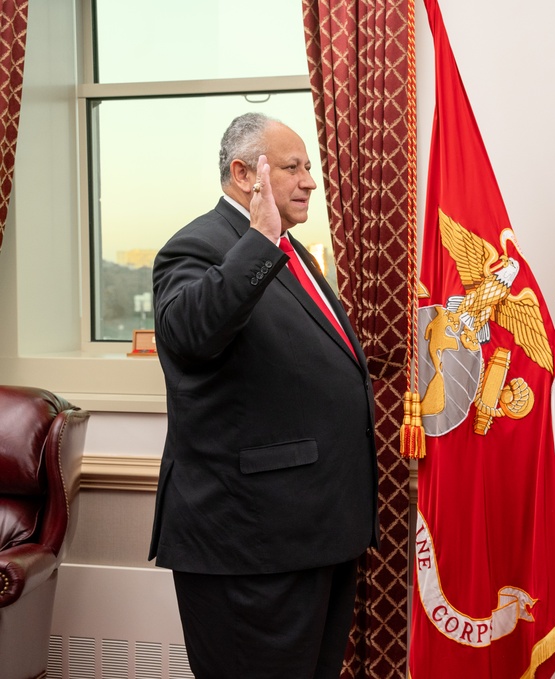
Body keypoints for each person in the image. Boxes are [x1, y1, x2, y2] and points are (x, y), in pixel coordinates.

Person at [148, 112, 379, 679]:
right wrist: (258, 240)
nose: (310, 181)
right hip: (249, 545)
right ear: (244, 173)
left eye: (310, 168)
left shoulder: (292, 250)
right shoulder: (196, 246)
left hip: (314, 533)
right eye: (293, 167)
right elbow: (191, 333)